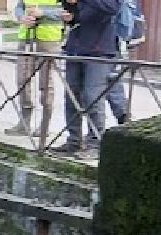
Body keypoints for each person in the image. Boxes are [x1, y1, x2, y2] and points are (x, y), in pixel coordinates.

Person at [48, 0, 120, 156]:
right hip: (76, 47)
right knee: (72, 96)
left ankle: (95, 144)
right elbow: (78, 13)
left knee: (92, 97)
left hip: (100, 49)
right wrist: (70, 15)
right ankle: (74, 141)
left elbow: (112, 8)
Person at [4, 0, 68, 137]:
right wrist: (22, 17)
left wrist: (43, 13)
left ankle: (45, 124)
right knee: (22, 80)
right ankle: (24, 121)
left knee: (46, 83)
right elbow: (20, 7)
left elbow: (67, 12)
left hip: (49, 39)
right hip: (26, 37)